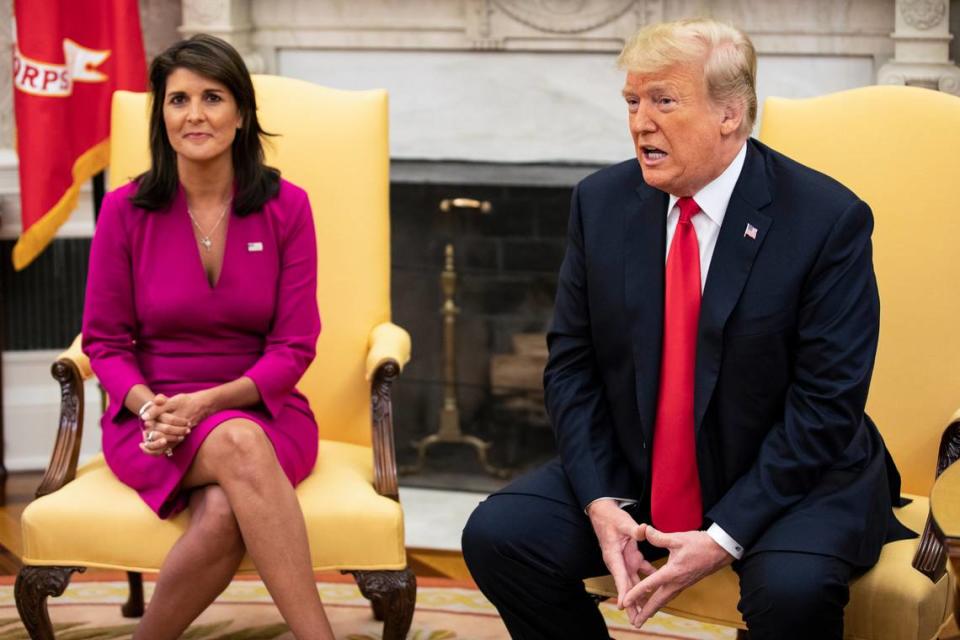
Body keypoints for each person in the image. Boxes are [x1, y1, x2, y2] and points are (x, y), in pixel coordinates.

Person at [462, 17, 914, 640]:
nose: (640, 122)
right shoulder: (601, 203)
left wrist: (724, 535)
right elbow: (572, 364)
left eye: (663, 101)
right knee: (499, 537)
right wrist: (601, 502)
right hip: (640, 467)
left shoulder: (826, 220)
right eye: (632, 101)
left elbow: (826, 404)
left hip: (788, 481)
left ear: (729, 114)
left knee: (792, 595)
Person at [82, 34, 335, 639]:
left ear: (241, 113)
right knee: (239, 458)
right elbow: (105, 343)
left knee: (227, 495)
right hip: (151, 417)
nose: (194, 114)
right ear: (161, 115)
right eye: (177, 100)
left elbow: (295, 346)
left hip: (261, 409)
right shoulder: (124, 211)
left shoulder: (287, 207)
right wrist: (150, 408)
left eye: (212, 97)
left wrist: (211, 403)